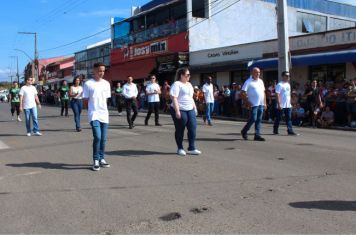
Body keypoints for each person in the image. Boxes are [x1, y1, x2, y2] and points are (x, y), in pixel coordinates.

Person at [83, 62, 111, 171]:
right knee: (98, 137)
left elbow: (106, 99)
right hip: (94, 114)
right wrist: (89, 110)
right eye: (100, 70)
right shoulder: (88, 84)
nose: (102, 73)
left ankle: (101, 158)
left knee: (103, 139)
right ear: (94, 71)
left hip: (104, 114)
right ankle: (95, 160)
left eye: (103, 71)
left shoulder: (106, 84)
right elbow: (85, 100)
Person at [170, 67, 201, 156]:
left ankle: (192, 148)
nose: (189, 76)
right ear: (181, 75)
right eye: (187, 75)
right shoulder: (177, 84)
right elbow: (174, 98)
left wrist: (195, 108)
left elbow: (190, 98)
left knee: (193, 128)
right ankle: (180, 148)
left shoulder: (189, 84)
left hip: (190, 108)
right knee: (180, 129)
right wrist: (177, 111)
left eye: (189, 74)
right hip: (180, 109)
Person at [240, 67, 266, 141]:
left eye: (259, 72)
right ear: (252, 73)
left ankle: (257, 135)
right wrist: (247, 102)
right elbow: (242, 93)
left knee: (259, 119)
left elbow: (263, 92)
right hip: (253, 104)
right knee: (253, 119)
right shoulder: (248, 82)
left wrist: (265, 103)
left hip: (260, 104)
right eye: (256, 72)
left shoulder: (261, 81)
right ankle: (244, 131)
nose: (258, 74)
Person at [273, 71, 298, 135]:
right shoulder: (279, 84)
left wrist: (290, 103)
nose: (288, 77)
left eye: (289, 76)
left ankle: (290, 131)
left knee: (289, 118)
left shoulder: (288, 84)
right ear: (283, 76)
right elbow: (277, 94)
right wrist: (279, 104)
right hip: (281, 105)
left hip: (288, 105)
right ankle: (275, 130)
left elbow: (288, 94)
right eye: (287, 76)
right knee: (278, 118)